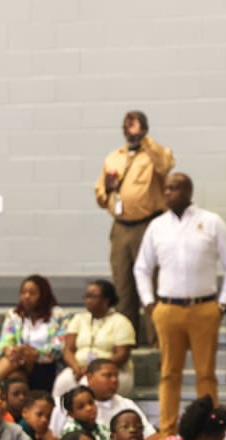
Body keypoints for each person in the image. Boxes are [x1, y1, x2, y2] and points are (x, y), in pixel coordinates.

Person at [135, 173, 226, 435]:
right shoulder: (157, 226)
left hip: (204, 308)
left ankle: (210, 430)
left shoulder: (211, 221)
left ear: (188, 192)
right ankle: (168, 430)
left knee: (206, 374)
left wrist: (223, 303)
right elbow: (142, 268)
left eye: (174, 188)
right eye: (166, 188)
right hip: (167, 309)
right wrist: (150, 303)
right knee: (169, 373)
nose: (168, 192)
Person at [94, 110, 175, 345]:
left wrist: (144, 138)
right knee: (123, 287)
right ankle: (126, 344)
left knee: (150, 287)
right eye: (127, 126)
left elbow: (166, 165)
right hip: (120, 228)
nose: (130, 130)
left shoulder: (154, 155)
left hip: (148, 225)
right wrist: (107, 190)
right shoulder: (113, 158)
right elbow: (99, 195)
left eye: (135, 126)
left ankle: (156, 346)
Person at [53, 280, 137, 399]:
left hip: (113, 372)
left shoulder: (121, 321)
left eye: (93, 296)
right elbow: (68, 349)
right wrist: (76, 367)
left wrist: (93, 369)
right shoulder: (78, 319)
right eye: (86, 296)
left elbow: (122, 355)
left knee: (87, 385)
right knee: (62, 383)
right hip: (79, 369)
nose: (88, 300)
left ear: (106, 300)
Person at [0, 275, 68, 392]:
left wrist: (35, 352)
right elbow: (2, 343)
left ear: (43, 295)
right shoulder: (14, 316)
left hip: (47, 365)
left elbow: (59, 347)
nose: (26, 297)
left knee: (22, 356)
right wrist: (9, 349)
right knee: (15, 374)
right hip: (18, 363)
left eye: (32, 293)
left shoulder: (59, 316)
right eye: (23, 293)